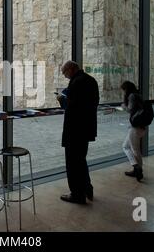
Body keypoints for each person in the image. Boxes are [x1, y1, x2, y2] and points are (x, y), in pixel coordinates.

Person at [57, 61, 99, 204]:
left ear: (71, 69)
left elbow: (72, 107)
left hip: (75, 130)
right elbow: (93, 103)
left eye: (64, 72)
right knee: (81, 160)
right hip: (86, 129)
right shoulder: (91, 80)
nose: (65, 76)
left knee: (73, 163)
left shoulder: (76, 82)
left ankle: (77, 194)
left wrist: (61, 100)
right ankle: (87, 188)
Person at [120, 81, 146, 182]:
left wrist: (123, 106)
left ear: (126, 89)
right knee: (126, 146)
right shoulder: (138, 95)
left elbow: (130, 109)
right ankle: (137, 169)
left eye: (123, 90)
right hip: (140, 126)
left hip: (135, 127)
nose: (123, 92)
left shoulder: (131, 96)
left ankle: (138, 168)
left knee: (134, 149)